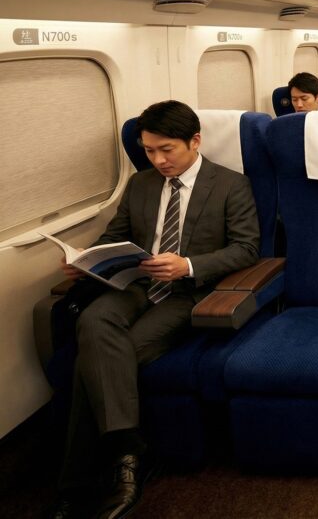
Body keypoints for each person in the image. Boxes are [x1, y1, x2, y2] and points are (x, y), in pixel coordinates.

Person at [51, 100, 260, 519]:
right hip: (137, 284)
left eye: (167, 149)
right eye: (149, 151)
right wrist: (86, 261)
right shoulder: (141, 185)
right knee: (94, 318)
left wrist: (188, 265)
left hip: (188, 292)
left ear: (195, 141)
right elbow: (116, 235)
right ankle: (129, 452)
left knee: (95, 359)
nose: (158, 160)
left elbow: (246, 248)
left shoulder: (230, 184)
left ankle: (80, 482)